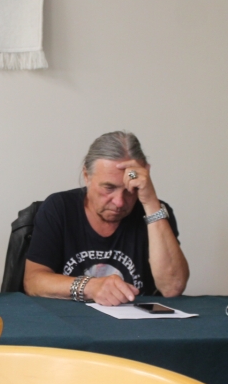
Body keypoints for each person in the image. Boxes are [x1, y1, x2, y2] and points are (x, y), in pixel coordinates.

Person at [23, 131, 189, 306]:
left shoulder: (155, 213)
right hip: (70, 317)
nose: (119, 202)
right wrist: (91, 287)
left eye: (130, 190)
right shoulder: (60, 208)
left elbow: (172, 288)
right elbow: (33, 282)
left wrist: (151, 203)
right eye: (108, 188)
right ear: (86, 176)